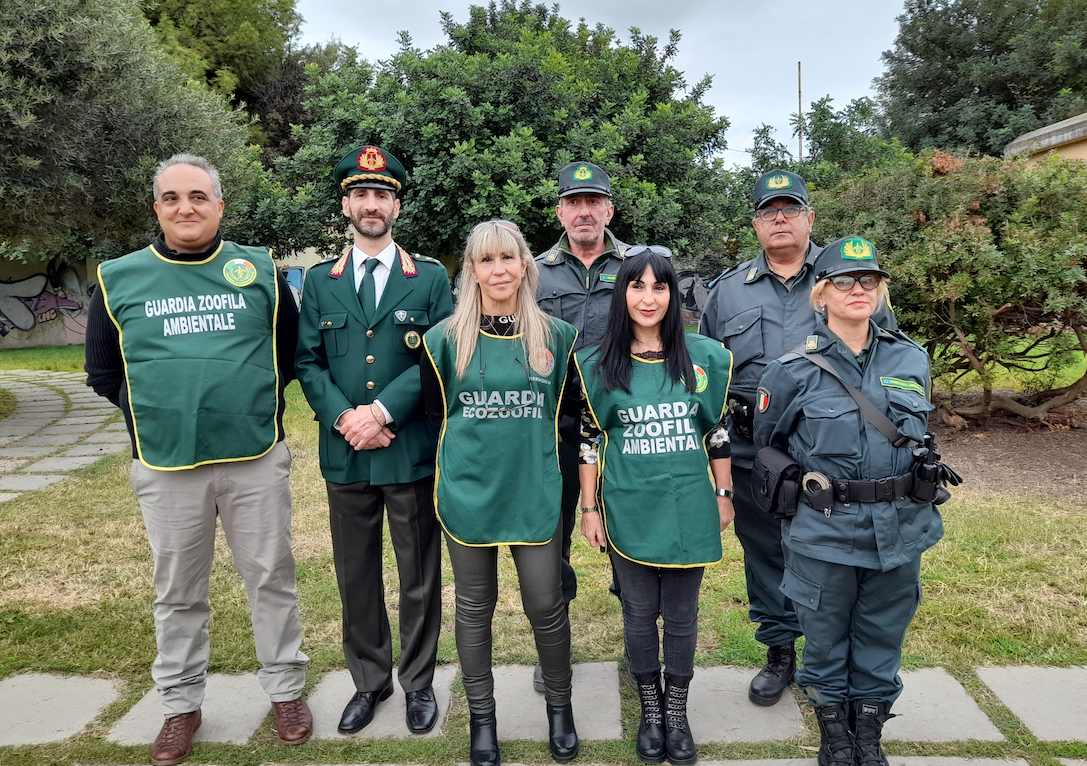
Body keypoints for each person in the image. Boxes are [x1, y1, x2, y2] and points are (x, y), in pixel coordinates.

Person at [84, 154, 311, 765]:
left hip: (254, 456)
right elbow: (104, 371)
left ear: (219, 204)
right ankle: (180, 706)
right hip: (166, 463)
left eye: (198, 197)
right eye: (172, 198)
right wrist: (155, 414)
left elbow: (284, 356)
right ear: (156, 208)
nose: (186, 208)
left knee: (271, 577)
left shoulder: (258, 271)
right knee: (178, 590)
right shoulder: (118, 278)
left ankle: (286, 691)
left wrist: (239, 400)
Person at [699, 170, 898, 706]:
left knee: (830, 558)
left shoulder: (843, 278)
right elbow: (705, 374)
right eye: (769, 212)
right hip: (754, 451)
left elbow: (885, 358)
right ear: (757, 224)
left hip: (834, 457)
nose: (780, 219)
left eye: (790, 209)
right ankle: (780, 650)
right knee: (765, 552)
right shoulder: (727, 291)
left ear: (810, 218)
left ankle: (828, 660)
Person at [753, 237, 949, 766]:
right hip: (826, 530)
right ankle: (835, 735)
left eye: (869, 280)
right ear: (821, 294)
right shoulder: (791, 369)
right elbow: (769, 444)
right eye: (844, 281)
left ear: (880, 289)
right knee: (824, 636)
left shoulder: (910, 357)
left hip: (900, 528)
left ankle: (870, 730)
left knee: (883, 632)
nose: (858, 289)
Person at [294, 146, 453, 735]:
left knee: (418, 575)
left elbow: (441, 356)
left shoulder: (431, 278)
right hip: (346, 453)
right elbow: (307, 362)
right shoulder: (319, 282)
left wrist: (382, 410)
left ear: (397, 206)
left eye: (381, 194)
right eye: (361, 194)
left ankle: (417, 683)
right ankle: (368, 681)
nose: (371, 204)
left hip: (408, 448)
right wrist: (346, 419)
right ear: (346, 204)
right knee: (355, 574)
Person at [422, 220, 580, 766]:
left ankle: (560, 709)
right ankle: (482, 719)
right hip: (469, 492)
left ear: (525, 266)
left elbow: (570, 420)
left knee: (545, 603)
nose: (499, 271)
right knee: (474, 608)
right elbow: (434, 416)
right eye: (486, 260)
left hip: (533, 491)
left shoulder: (557, 338)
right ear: (471, 270)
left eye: (508, 259)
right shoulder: (444, 340)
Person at [577, 246, 734, 766]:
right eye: (637, 286)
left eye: (659, 287)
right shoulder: (598, 364)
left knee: (683, 617)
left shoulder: (705, 358)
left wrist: (724, 493)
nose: (648, 297)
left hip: (690, 504)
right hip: (628, 504)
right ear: (621, 294)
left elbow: (715, 432)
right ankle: (650, 707)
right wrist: (589, 508)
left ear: (673, 295)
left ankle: (677, 710)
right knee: (640, 614)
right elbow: (589, 439)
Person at [534, 161, 629, 691]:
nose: (585, 211)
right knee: (552, 545)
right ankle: (556, 657)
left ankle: (642, 652)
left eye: (595, 201)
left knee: (631, 540)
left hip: (622, 429)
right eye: (575, 202)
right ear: (561, 212)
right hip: (554, 427)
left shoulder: (639, 265)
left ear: (609, 210)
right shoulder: (534, 271)